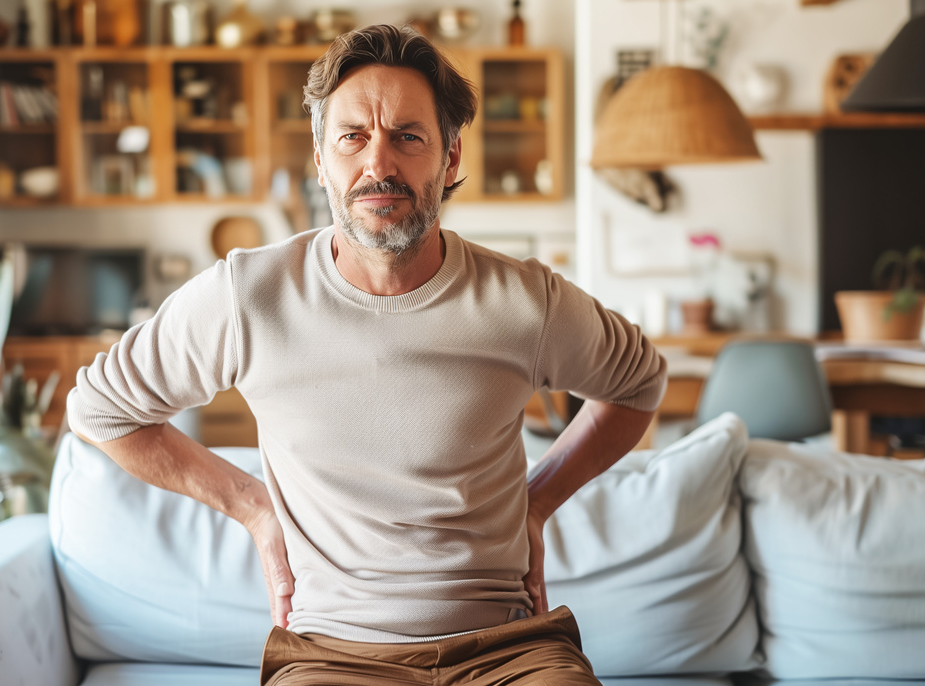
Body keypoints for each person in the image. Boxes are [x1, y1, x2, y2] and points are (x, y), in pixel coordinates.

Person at [68, 24, 667, 686]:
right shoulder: (247, 296)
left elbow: (638, 382)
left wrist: (539, 500)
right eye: (353, 137)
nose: (378, 164)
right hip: (331, 656)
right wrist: (250, 505)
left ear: (450, 156)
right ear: (322, 159)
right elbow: (99, 411)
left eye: (408, 137)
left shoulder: (525, 300)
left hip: (509, 649)